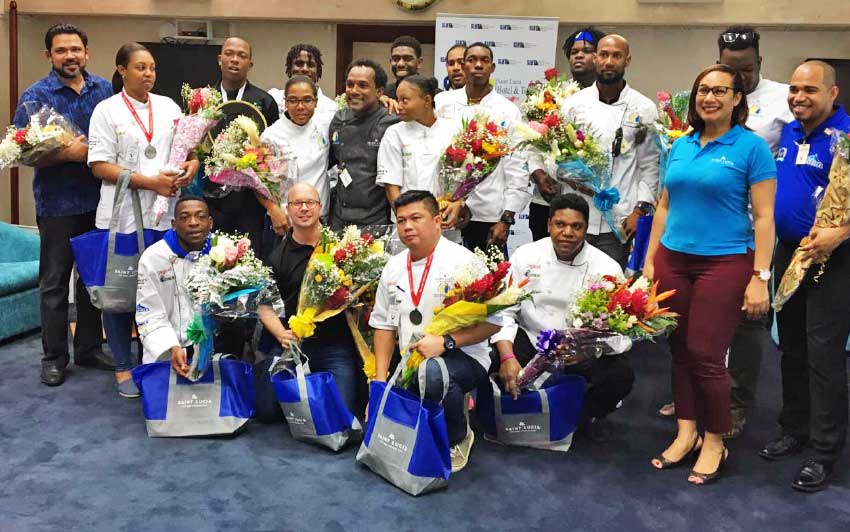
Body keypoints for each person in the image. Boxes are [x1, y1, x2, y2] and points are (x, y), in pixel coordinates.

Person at [642, 64, 776, 485]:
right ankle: (686, 432)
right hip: (673, 260)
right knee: (679, 349)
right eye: (703, 90)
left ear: (738, 98)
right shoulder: (680, 145)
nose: (709, 98)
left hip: (724, 262)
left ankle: (715, 439)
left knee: (705, 353)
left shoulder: (751, 148)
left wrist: (760, 275)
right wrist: (649, 262)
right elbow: (664, 205)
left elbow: (765, 217)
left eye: (720, 91)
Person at [88, 42, 198, 398]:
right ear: (121, 70)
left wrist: (189, 169)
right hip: (122, 217)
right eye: (140, 67)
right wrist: (150, 182)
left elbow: (189, 152)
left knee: (164, 289)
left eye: (151, 67)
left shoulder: (167, 106)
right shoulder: (106, 110)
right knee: (121, 291)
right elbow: (99, 165)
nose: (148, 74)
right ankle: (123, 364)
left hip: (165, 215)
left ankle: (156, 358)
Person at [761, 61, 850, 493]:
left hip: (836, 259)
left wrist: (842, 232)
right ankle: (793, 427)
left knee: (824, 355)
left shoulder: (847, 136)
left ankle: (824, 450)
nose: (799, 97)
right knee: (790, 345)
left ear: (832, 93)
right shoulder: (790, 131)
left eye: (810, 90)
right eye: (794, 89)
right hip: (789, 252)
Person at [370, 190, 504, 472]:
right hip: (411, 360)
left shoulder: (464, 263)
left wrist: (448, 342)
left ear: (437, 221)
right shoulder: (394, 267)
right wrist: (379, 384)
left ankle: (458, 435)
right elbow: (383, 325)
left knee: (430, 375)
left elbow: (495, 322)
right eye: (401, 220)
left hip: (464, 356)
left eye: (416, 218)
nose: (407, 226)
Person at [14, 24, 114, 386]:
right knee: (54, 285)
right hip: (57, 205)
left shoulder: (104, 89)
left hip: (99, 201)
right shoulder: (35, 96)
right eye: (61, 50)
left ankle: (88, 348)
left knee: (92, 281)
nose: (69, 56)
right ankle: (54, 357)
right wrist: (68, 153)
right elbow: (22, 152)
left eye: (75, 49)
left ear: (86, 52)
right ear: (49, 56)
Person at [494, 194, 634, 441]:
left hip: (579, 351)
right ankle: (513, 405)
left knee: (620, 375)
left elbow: (621, 336)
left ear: (586, 229)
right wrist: (507, 356)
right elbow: (503, 311)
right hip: (532, 338)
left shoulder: (607, 268)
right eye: (560, 224)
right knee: (491, 355)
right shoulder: (525, 256)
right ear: (548, 225)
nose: (567, 232)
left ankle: (582, 416)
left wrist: (590, 350)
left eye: (576, 226)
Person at [717, 25, 795, 438]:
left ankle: (739, 401)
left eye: (746, 69)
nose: (739, 78)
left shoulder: (784, 99)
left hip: (758, 230)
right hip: (714, 228)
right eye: (731, 69)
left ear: (759, 64)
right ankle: (702, 392)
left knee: (749, 320)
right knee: (705, 315)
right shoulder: (714, 97)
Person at [254, 183, 365, 420]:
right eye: (297, 204)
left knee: (340, 414)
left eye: (310, 203)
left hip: (334, 346)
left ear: (320, 207)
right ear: (288, 209)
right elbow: (264, 305)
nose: (304, 209)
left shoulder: (342, 250)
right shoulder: (277, 257)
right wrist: (280, 334)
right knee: (266, 411)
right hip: (294, 344)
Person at [562, 35, 659, 268]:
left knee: (608, 290)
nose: (609, 61)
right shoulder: (574, 105)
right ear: (595, 59)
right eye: (604, 55)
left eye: (616, 56)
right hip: (577, 217)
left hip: (619, 221)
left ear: (627, 61)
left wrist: (640, 210)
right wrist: (575, 178)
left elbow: (650, 166)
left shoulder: (644, 108)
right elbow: (559, 158)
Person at [434, 42, 531, 252]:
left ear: (492, 68)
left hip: (487, 215)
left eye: (484, 60)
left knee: (487, 283)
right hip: (444, 212)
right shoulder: (442, 102)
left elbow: (517, 170)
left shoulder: (507, 110)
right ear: (464, 65)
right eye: (471, 60)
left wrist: (506, 219)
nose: (478, 65)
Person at [526, 27, 605, 242]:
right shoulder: (548, 96)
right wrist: (539, 175)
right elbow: (532, 145)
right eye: (573, 52)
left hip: (588, 201)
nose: (579, 55)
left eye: (587, 51)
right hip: (547, 198)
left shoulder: (608, 100)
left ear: (600, 57)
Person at [204, 36, 281, 258]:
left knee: (250, 260)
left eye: (242, 55)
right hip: (212, 198)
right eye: (229, 54)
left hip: (251, 201)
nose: (234, 60)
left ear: (250, 63)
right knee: (214, 260)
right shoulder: (204, 98)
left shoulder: (264, 101)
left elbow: (270, 155)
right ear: (219, 59)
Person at [376, 75, 465, 238]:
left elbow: (465, 178)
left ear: (427, 100)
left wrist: (458, 204)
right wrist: (405, 219)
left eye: (405, 100)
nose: (399, 106)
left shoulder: (454, 130)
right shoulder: (394, 133)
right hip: (409, 224)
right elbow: (391, 186)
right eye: (398, 99)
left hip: (444, 221)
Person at [135, 196, 212, 372]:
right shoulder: (153, 257)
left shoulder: (223, 252)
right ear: (173, 224)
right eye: (184, 217)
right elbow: (149, 313)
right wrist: (171, 347)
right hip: (166, 349)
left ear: (210, 222)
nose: (193, 223)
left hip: (212, 345)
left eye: (200, 216)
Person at [328, 58, 399, 230]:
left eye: (363, 85)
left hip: (377, 220)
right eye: (350, 84)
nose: (354, 91)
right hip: (339, 218)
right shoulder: (339, 119)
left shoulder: (392, 122)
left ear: (379, 91)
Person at [262, 76, 333, 220]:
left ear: (316, 102)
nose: (300, 107)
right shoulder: (271, 135)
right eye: (293, 100)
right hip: (286, 221)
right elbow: (260, 184)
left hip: (321, 218)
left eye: (307, 100)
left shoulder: (325, 125)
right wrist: (274, 211)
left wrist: (383, 100)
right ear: (285, 103)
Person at [268, 43, 336, 121]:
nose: (305, 69)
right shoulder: (274, 98)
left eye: (310, 65)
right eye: (299, 64)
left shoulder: (330, 108)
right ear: (290, 68)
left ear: (318, 71)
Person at [383, 35, 424, 100]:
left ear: (419, 62)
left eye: (407, 59)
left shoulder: (435, 95)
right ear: (390, 61)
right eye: (396, 59)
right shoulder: (384, 94)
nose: (400, 64)